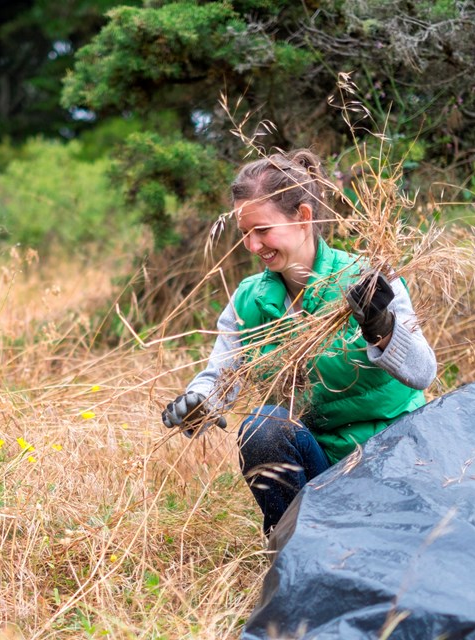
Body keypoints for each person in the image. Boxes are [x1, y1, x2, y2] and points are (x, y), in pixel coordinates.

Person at [161, 149, 437, 534]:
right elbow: (220, 377)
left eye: (262, 230)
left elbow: (424, 372)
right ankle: (296, 549)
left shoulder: (366, 278)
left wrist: (382, 327)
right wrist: (198, 403)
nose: (253, 246)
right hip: (323, 470)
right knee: (263, 428)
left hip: (394, 465)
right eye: (245, 234)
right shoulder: (248, 300)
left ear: (303, 217)